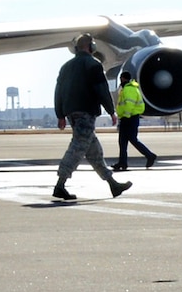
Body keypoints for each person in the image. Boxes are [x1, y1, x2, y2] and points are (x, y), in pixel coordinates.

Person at [51, 37, 131, 202]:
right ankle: (60, 184)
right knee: (78, 147)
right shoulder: (93, 65)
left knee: (94, 152)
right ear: (90, 46)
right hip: (85, 112)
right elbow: (101, 89)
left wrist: (60, 114)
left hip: (71, 113)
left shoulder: (66, 67)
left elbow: (58, 91)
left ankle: (113, 184)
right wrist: (111, 111)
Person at [113, 68, 158, 171]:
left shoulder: (129, 89)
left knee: (132, 139)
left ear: (123, 78)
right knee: (122, 141)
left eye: (121, 78)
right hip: (127, 118)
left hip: (130, 118)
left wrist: (126, 116)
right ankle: (122, 163)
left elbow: (129, 103)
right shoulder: (128, 88)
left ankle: (149, 155)